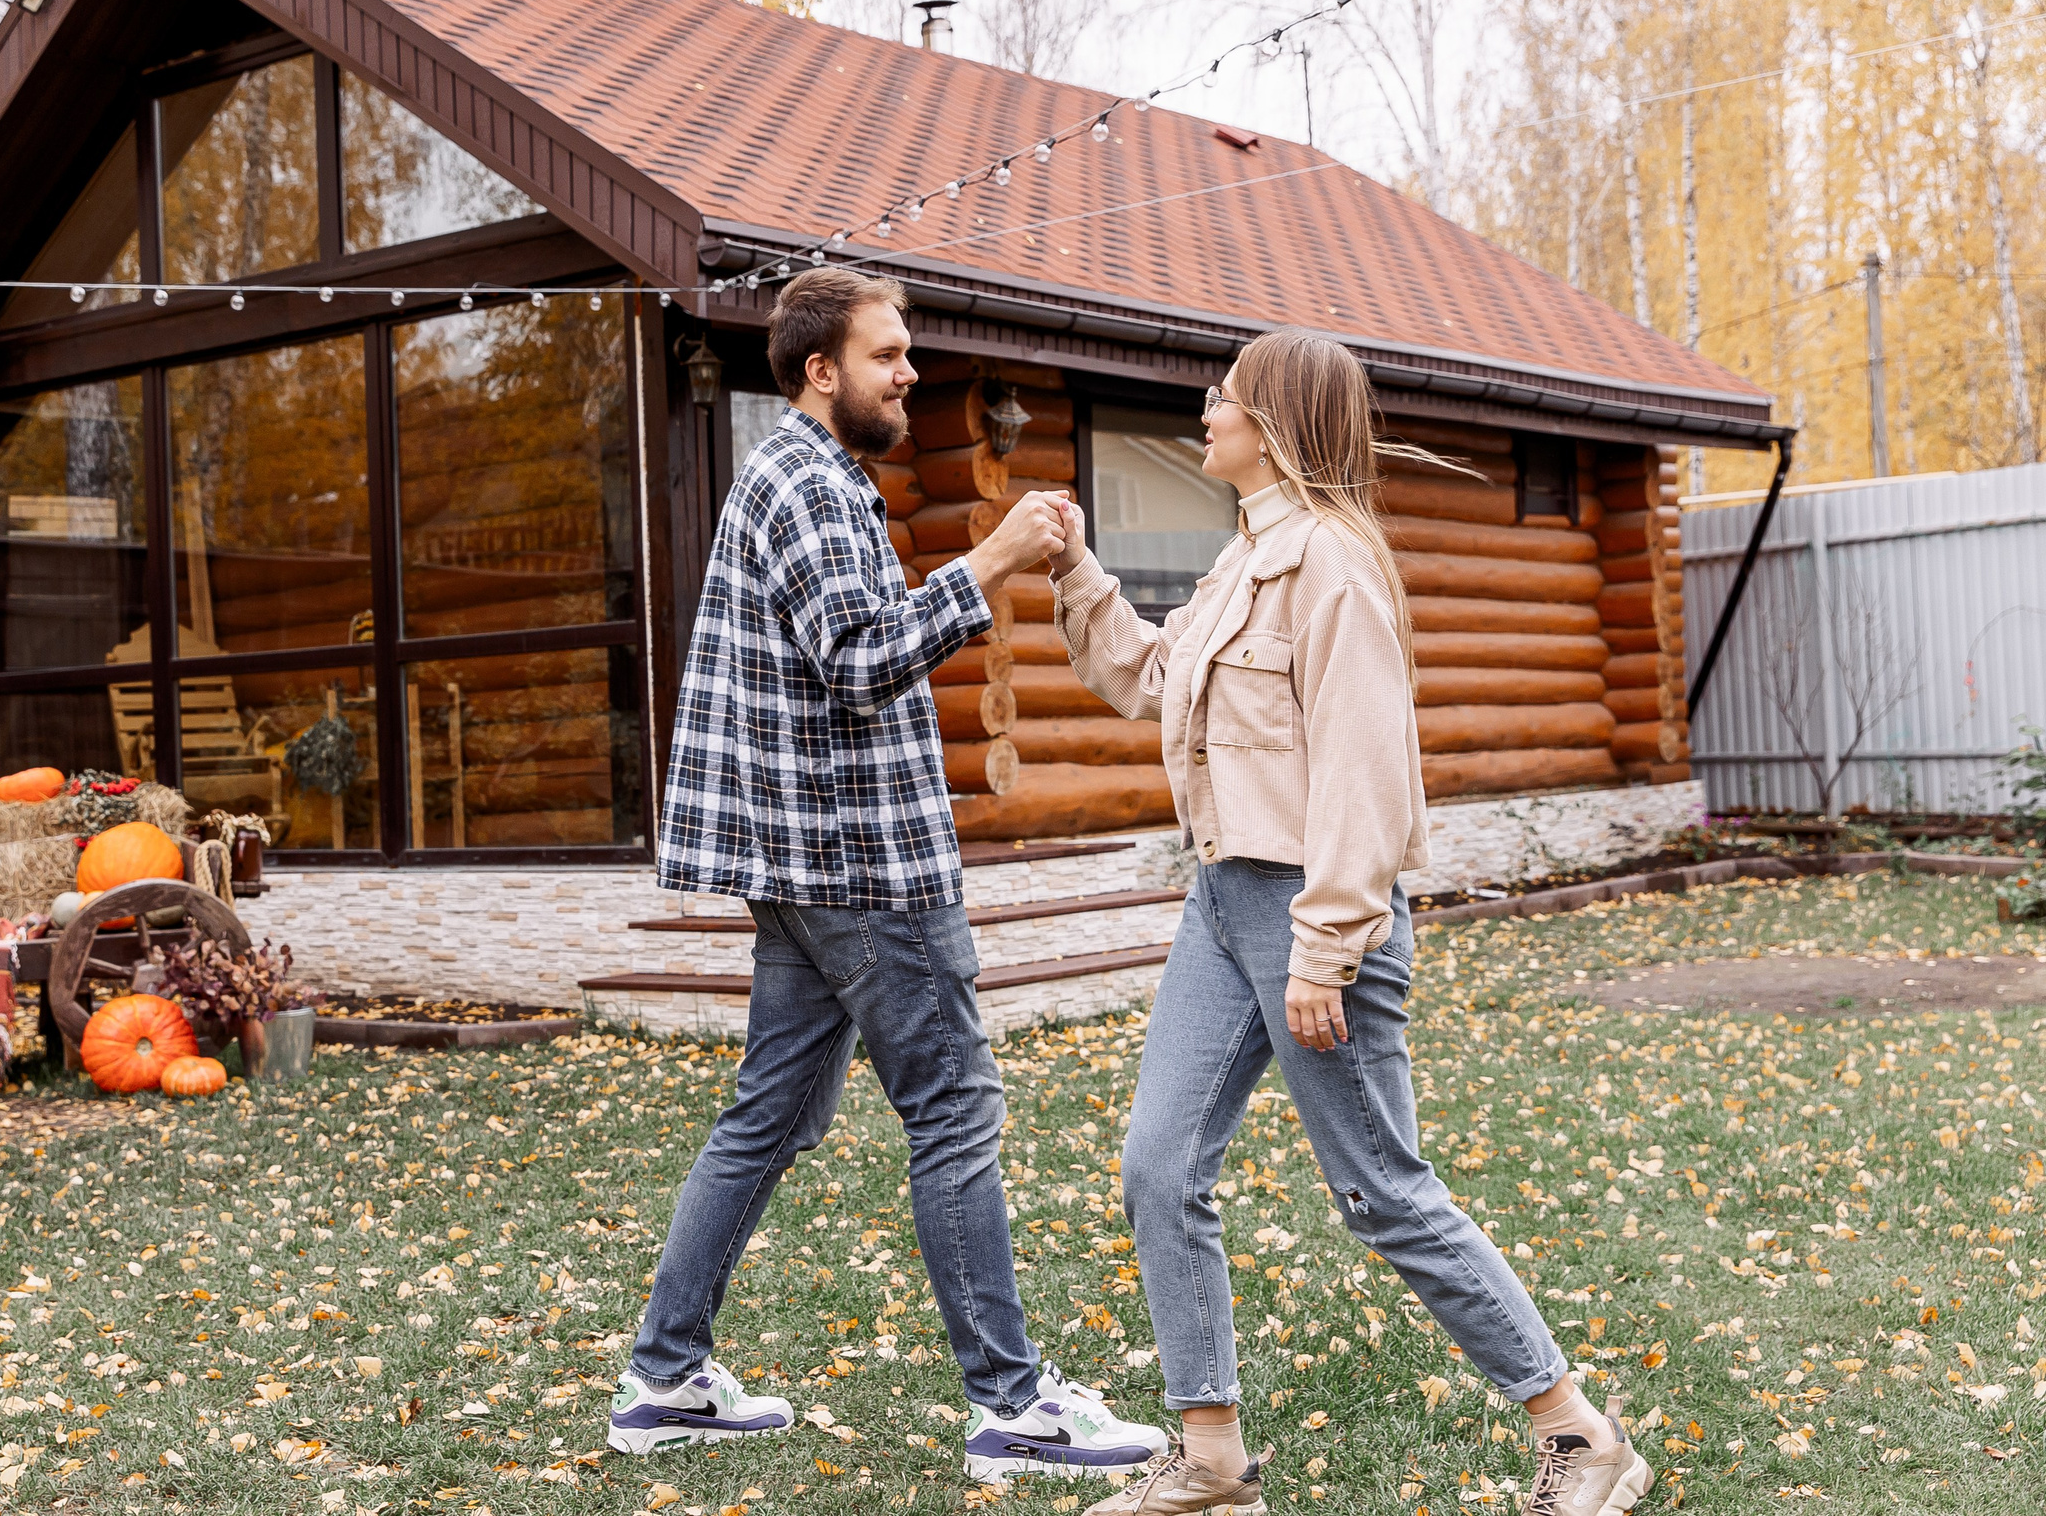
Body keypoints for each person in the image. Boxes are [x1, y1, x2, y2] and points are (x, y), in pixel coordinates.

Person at [1043, 330, 1653, 1516]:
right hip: (1222, 904)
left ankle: (1580, 1435)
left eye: (1223, 393)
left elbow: (1367, 775)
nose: (1204, 408)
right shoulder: (1243, 561)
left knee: (1381, 1190)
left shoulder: (1331, 562)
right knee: (1158, 1165)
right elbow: (1150, 682)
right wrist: (1077, 571)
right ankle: (1211, 1462)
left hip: (1317, 914)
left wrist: (1324, 946)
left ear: (1271, 419)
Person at [609, 267, 1168, 1485]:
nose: (907, 371)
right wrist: (996, 555)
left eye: (905, 353)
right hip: (860, 865)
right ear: (821, 370)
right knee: (954, 1113)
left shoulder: (802, 475)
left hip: (809, 861)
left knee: (768, 1116)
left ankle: (662, 1376)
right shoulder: (803, 480)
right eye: (886, 355)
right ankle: (1013, 1405)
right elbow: (861, 660)